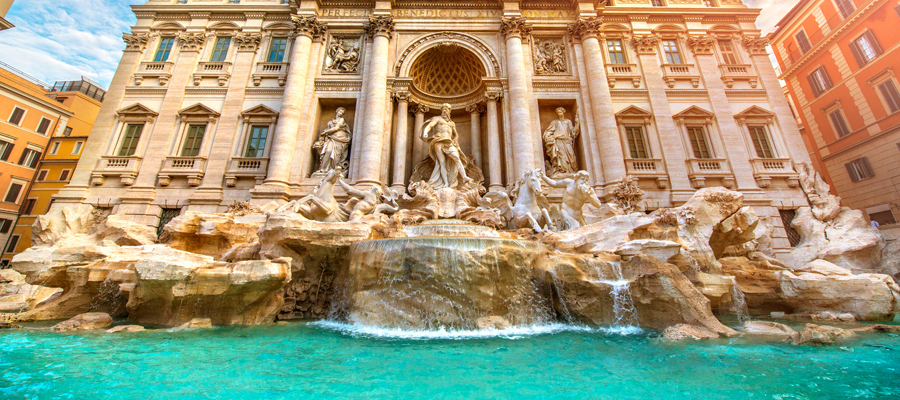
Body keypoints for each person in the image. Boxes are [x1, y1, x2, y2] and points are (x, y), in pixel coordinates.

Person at [420, 103, 473, 189]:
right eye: (443, 109)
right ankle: (445, 183)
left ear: (449, 111)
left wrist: (455, 139)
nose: (444, 110)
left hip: (449, 142)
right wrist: (425, 132)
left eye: (446, 109)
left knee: (457, 158)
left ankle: (464, 177)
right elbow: (430, 126)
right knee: (442, 162)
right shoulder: (437, 119)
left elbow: (456, 135)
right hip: (439, 141)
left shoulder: (452, 123)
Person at [542, 107, 580, 176]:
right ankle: (562, 170)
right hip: (558, 140)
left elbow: (573, 132)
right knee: (561, 155)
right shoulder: (555, 122)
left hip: (567, 140)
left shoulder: (568, 121)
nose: (559, 114)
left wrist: (577, 123)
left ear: (563, 112)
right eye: (558, 113)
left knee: (571, 155)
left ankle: (571, 170)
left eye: (560, 112)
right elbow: (549, 131)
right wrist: (548, 137)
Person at [314, 107, 352, 173]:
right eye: (340, 111)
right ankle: (323, 169)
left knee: (337, 155)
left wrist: (325, 132)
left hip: (340, 138)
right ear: (336, 111)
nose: (340, 113)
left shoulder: (341, 120)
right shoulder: (331, 121)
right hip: (331, 138)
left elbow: (336, 128)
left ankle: (333, 170)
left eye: (342, 113)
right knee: (328, 151)